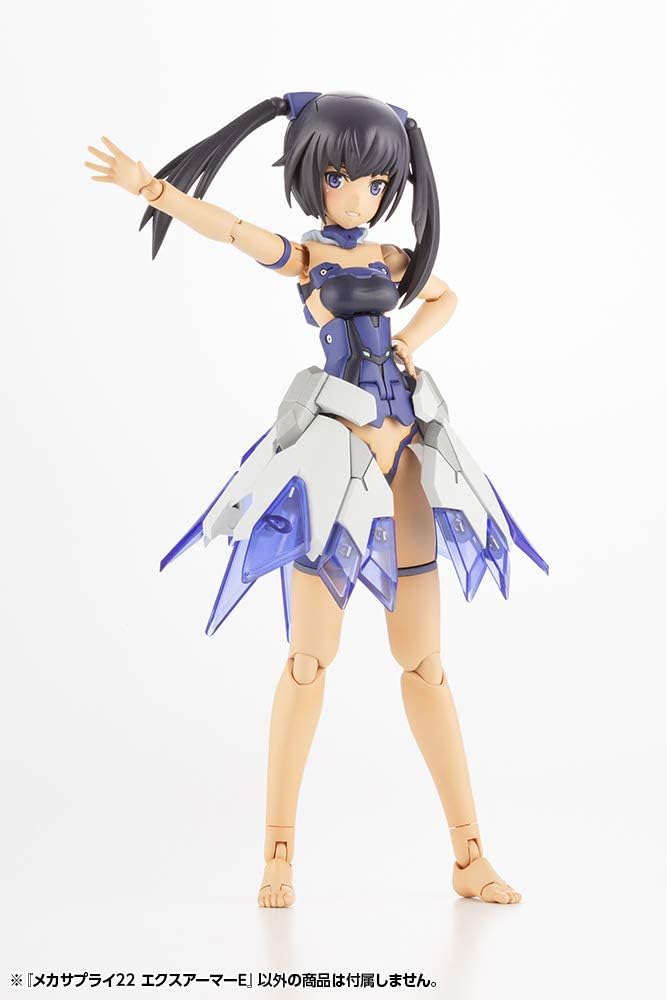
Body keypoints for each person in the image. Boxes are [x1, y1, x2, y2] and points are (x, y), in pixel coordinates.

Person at [85, 91, 547, 908]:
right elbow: (232, 230)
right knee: (308, 662)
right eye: (339, 178)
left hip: (406, 459)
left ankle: (470, 856)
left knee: (425, 664)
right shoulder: (306, 257)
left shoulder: (392, 259)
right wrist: (152, 189)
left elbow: (445, 297)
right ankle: (278, 856)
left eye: (375, 182)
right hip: (336, 464)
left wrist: (408, 344)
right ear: (311, 176)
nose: (356, 196)